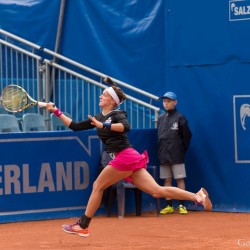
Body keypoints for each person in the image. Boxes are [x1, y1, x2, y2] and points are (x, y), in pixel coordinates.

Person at [45, 77, 212, 237]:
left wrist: (103, 125)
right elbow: (74, 126)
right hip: (128, 158)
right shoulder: (97, 118)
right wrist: (56, 111)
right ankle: (197, 196)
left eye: (103, 94)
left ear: (111, 100)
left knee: (97, 185)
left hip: (125, 156)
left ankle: (82, 225)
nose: (100, 96)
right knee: (157, 191)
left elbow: (125, 127)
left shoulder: (117, 113)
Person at [157, 91, 192, 215]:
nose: (166, 103)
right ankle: (169, 205)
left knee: (179, 179)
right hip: (163, 155)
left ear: (175, 102)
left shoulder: (180, 117)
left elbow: (187, 136)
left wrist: (181, 149)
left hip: (177, 155)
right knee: (167, 180)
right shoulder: (160, 118)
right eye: (164, 101)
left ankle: (182, 205)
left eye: (169, 101)